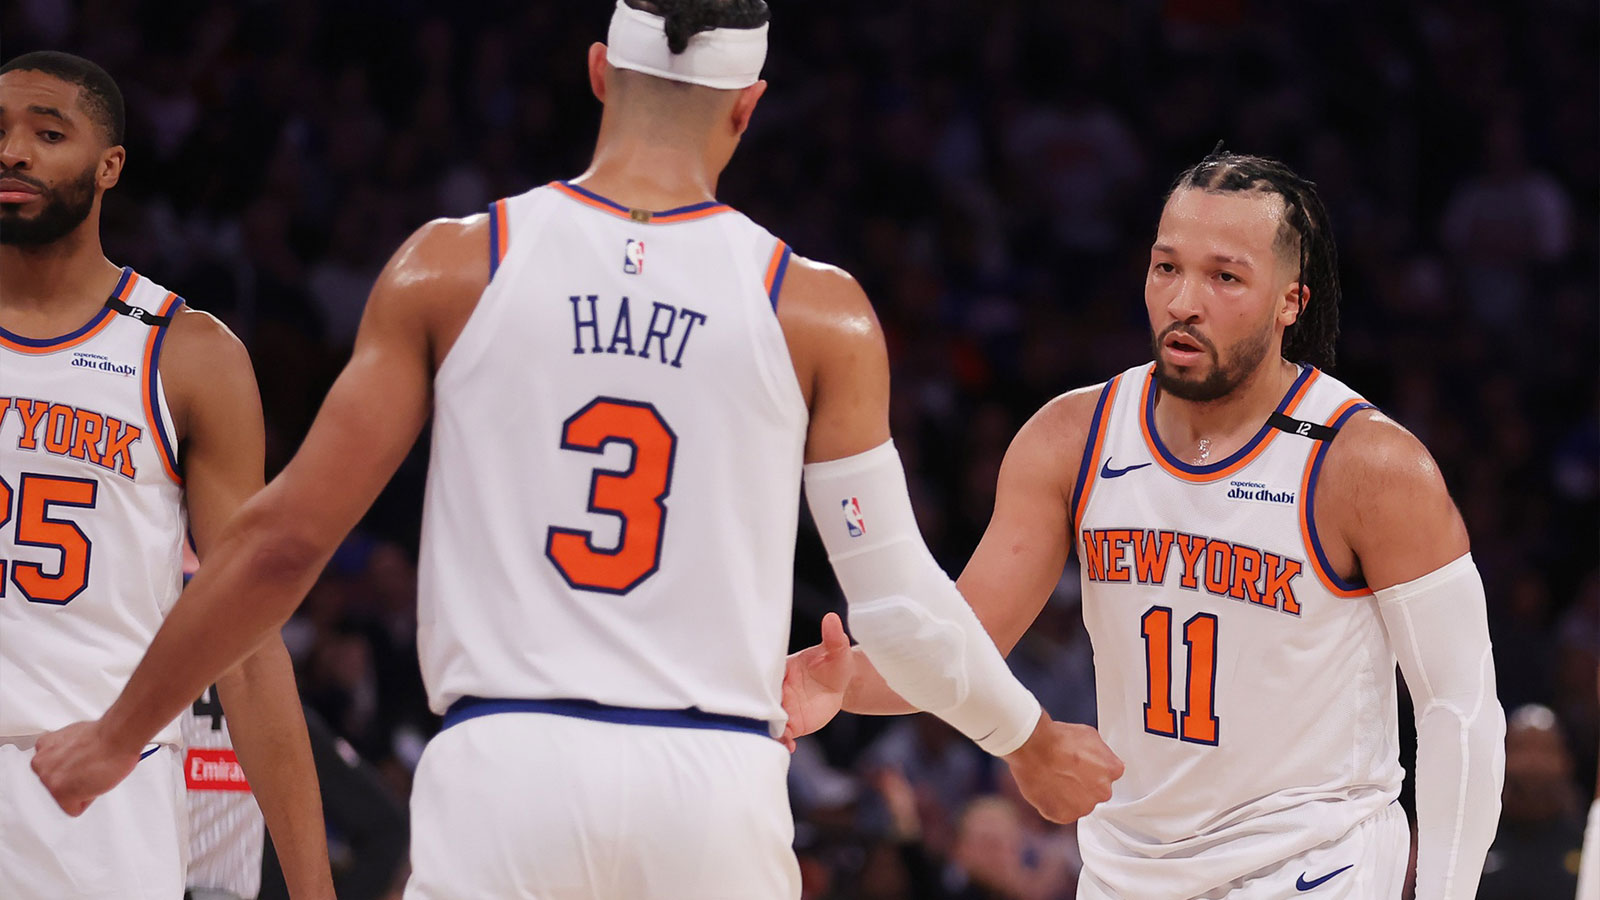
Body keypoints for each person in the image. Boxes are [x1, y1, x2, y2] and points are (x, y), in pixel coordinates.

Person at [29, 4, 1122, 898]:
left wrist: (120, 734)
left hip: (505, 769)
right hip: (713, 785)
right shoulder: (816, 309)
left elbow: (279, 545)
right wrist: (1025, 740)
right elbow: (904, 609)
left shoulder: (454, 266)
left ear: (598, 71)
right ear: (748, 106)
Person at [783, 150, 1507, 899]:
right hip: (1126, 870)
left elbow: (1460, 710)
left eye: (1225, 277)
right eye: (1167, 268)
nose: (1184, 301)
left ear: (1290, 302)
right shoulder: (1073, 437)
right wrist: (843, 681)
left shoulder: (1369, 465)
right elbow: (962, 641)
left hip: (1312, 866)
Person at [0, 51, 333, 899]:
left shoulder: (186, 354)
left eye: (48, 133)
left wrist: (313, 888)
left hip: (90, 797)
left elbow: (247, 645)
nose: (12, 152)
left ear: (110, 165)